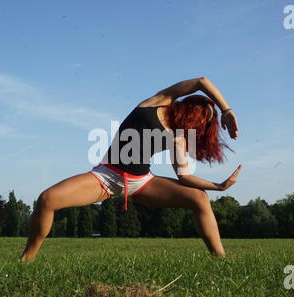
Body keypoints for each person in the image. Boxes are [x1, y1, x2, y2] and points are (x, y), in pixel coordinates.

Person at [20, 77, 241, 262]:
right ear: (192, 106)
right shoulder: (160, 101)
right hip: (106, 176)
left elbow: (184, 177)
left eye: (206, 122)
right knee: (47, 199)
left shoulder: (179, 137)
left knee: (199, 198)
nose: (202, 122)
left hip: (142, 182)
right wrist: (226, 109)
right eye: (204, 114)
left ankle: (220, 261)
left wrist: (219, 186)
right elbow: (201, 81)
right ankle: (27, 259)